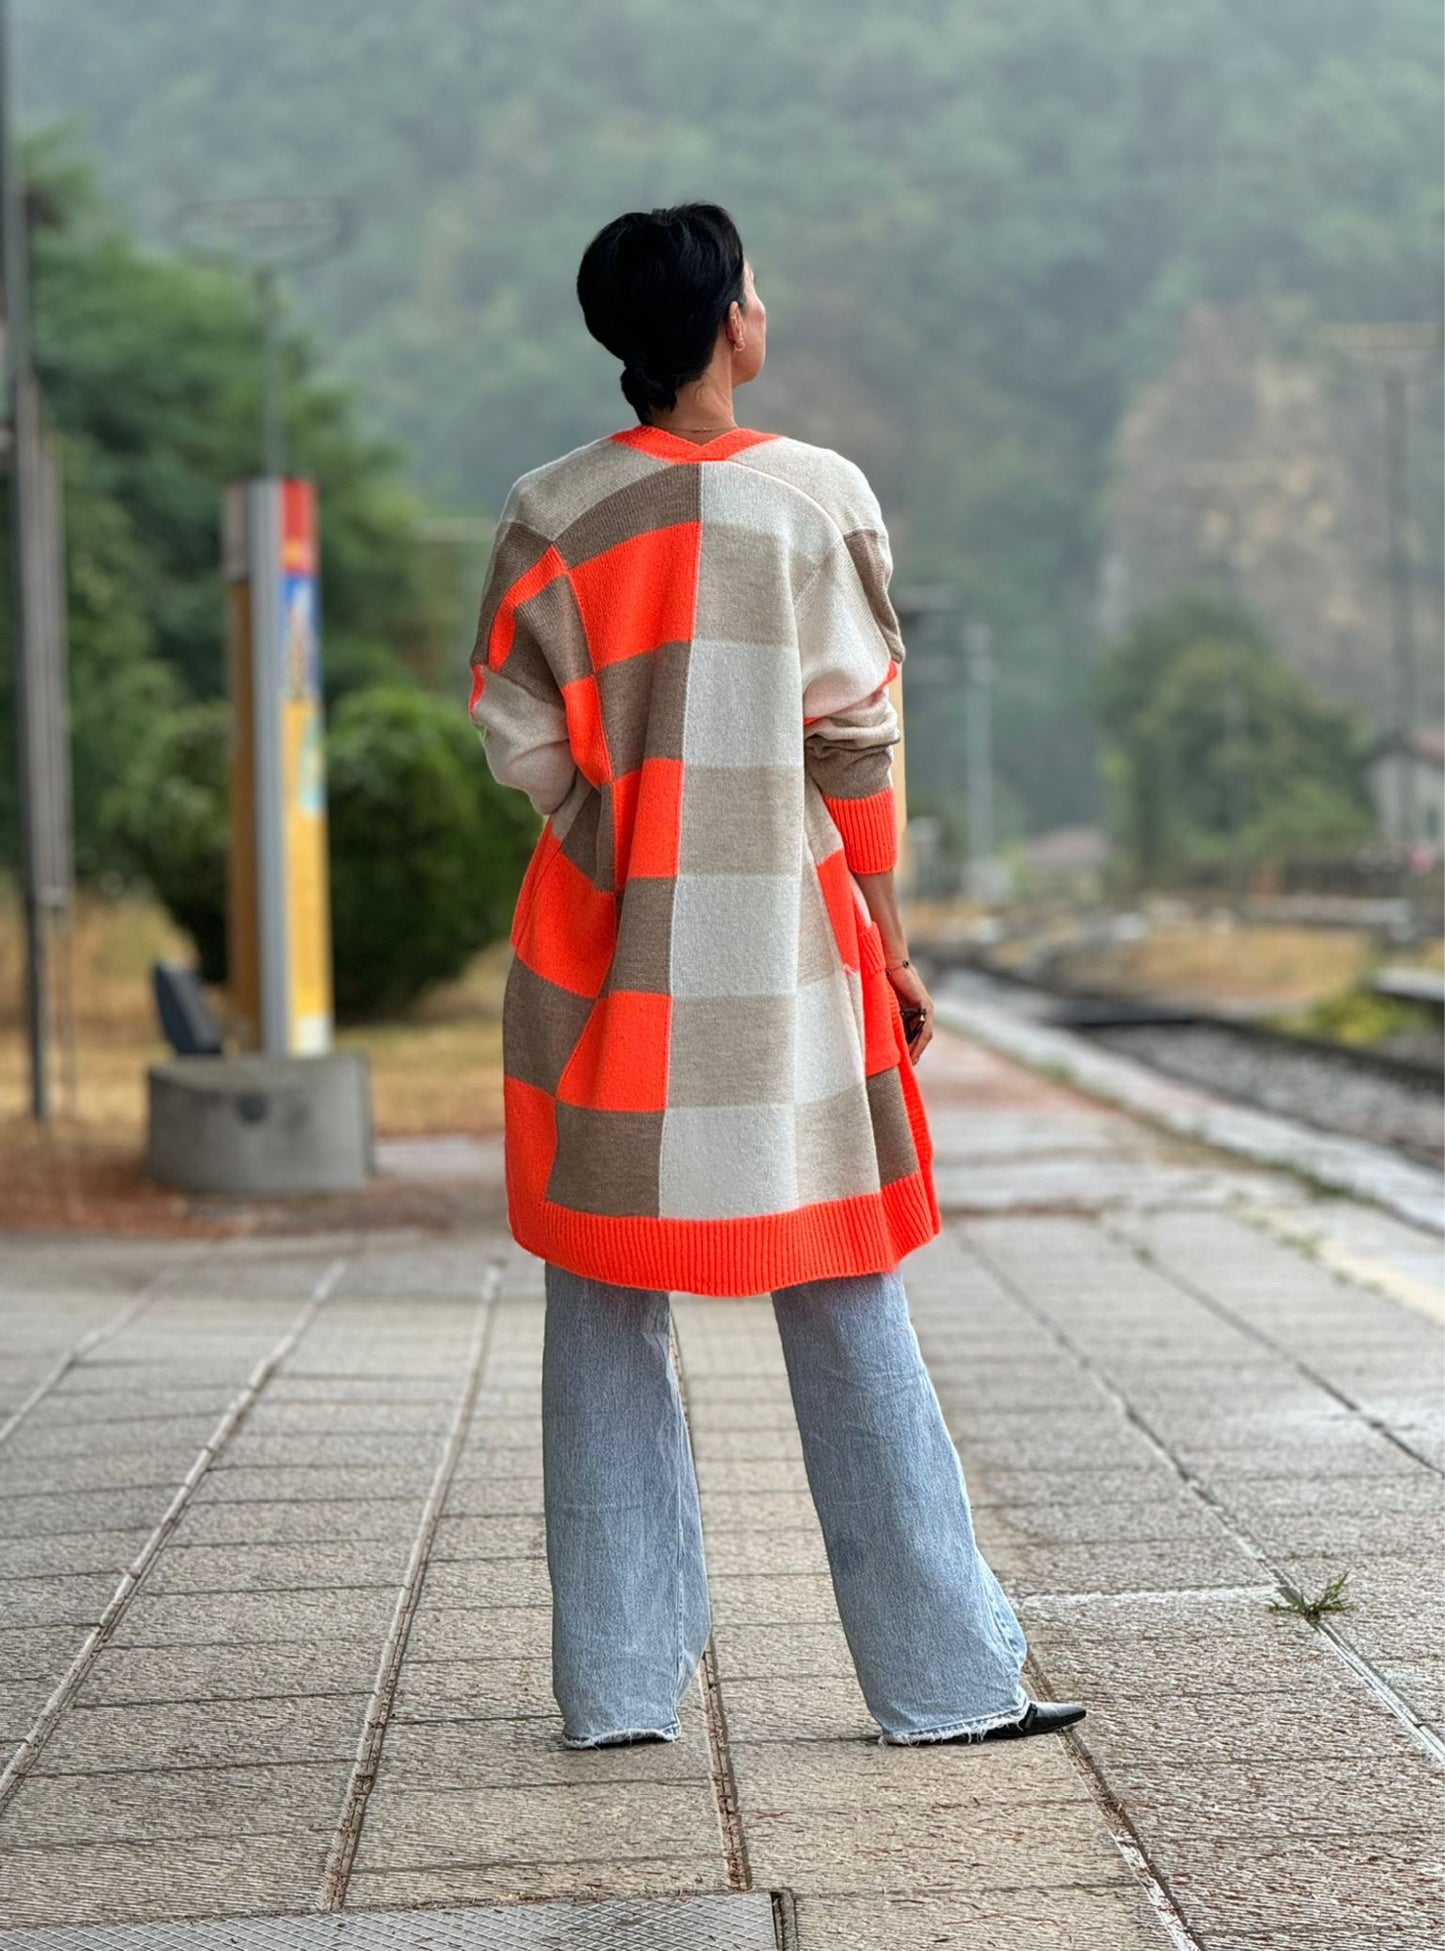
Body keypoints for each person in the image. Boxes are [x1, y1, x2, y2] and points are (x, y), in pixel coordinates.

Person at [468, 202, 1085, 1751]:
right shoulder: (815, 498)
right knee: (845, 1293)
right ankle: (942, 1682)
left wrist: (618, 824)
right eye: (753, 285)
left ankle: (614, 1691)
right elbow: (854, 742)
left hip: (609, 957)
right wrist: (886, 937)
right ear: (732, 322)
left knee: (603, 1307)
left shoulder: (550, 511)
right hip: (791, 952)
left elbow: (517, 729)